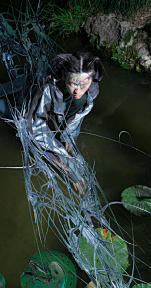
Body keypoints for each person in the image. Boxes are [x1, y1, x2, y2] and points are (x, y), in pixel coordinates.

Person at [27, 51, 103, 193]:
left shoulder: (90, 94)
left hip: (58, 115)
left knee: (68, 150)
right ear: (63, 75)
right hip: (37, 119)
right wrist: (65, 165)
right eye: (73, 83)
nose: (78, 91)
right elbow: (36, 130)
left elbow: (77, 120)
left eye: (84, 85)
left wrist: (67, 138)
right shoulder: (48, 90)